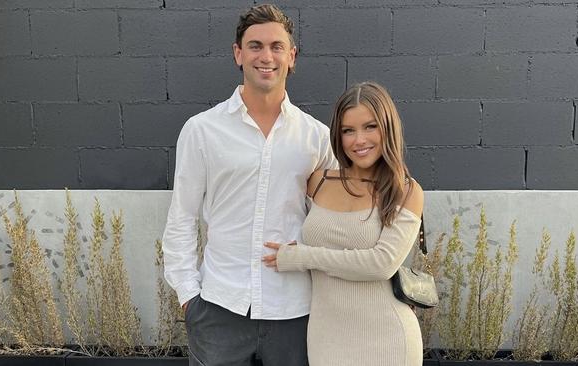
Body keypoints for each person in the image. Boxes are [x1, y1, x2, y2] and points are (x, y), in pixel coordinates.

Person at [161, 4, 337, 366]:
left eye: (276, 46)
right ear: (238, 54)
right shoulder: (202, 130)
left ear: (292, 56)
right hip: (218, 308)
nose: (266, 56)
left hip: (294, 311)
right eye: (255, 46)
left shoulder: (318, 138)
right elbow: (181, 217)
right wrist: (189, 297)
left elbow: (336, 221)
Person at [262, 82, 424, 366]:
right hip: (326, 336)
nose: (359, 140)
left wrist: (302, 257)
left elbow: (381, 264)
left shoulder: (406, 191)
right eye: (348, 130)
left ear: (388, 128)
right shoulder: (319, 181)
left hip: (388, 338)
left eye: (370, 126)